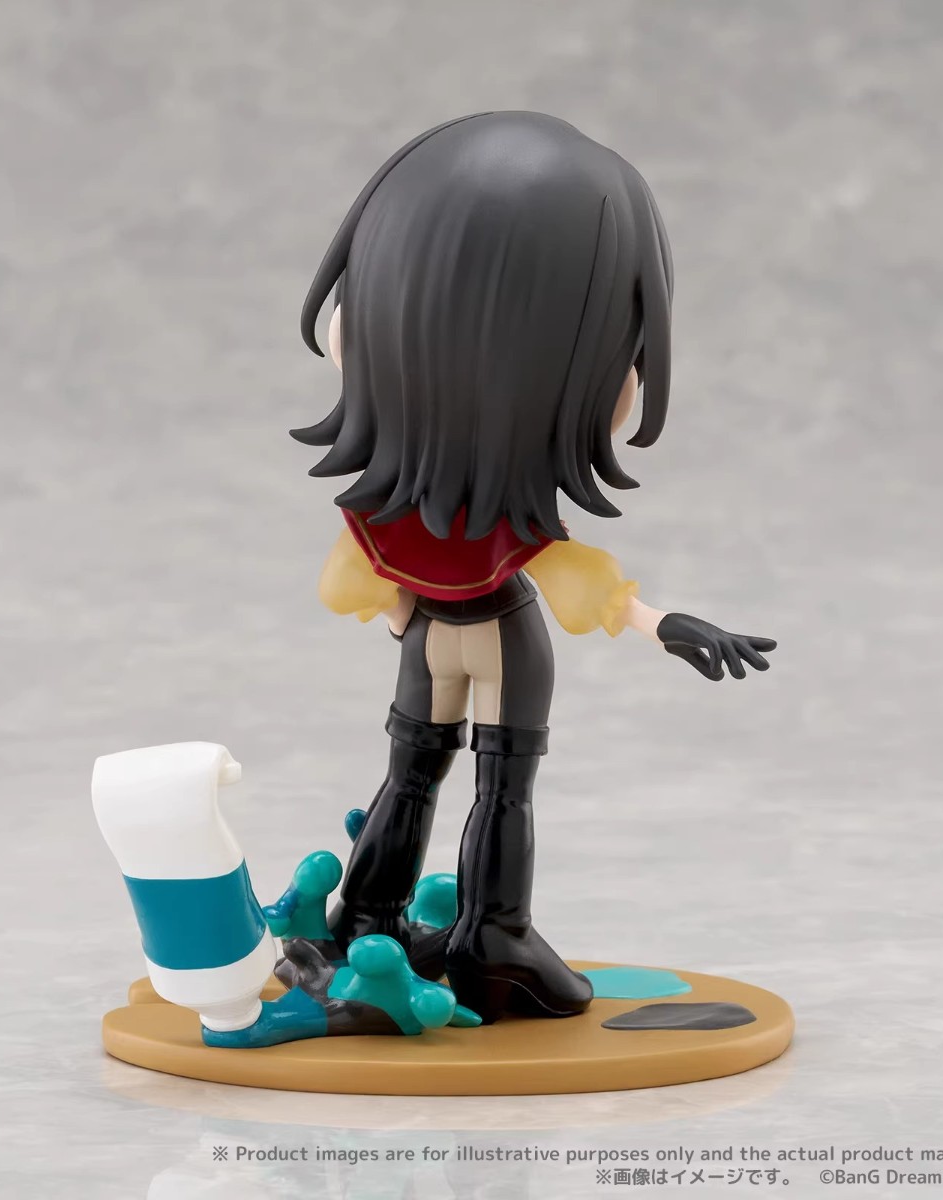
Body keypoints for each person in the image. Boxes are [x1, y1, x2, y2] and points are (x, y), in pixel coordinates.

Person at [293, 112, 776, 1024]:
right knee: (501, 788)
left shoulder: (384, 516)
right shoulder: (509, 529)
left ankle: (366, 917)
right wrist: (666, 625)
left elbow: (348, 583)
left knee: (410, 773)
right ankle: (492, 934)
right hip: (504, 633)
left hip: (429, 636)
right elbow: (582, 588)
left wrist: (401, 613)